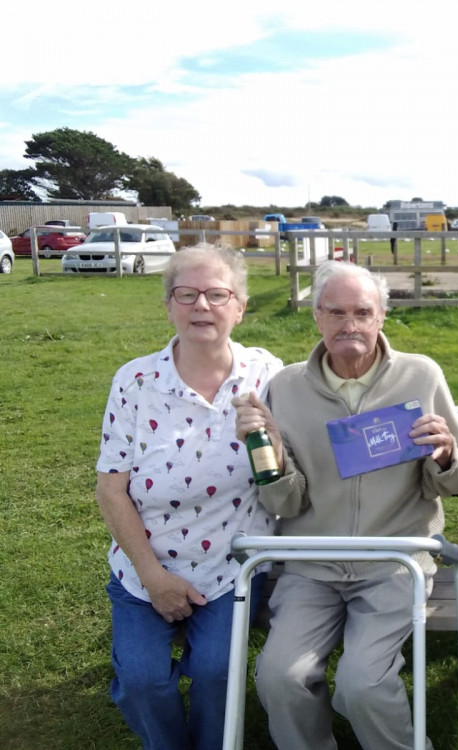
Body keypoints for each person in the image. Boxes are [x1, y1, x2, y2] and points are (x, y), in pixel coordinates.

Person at [234, 260, 458, 749]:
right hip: (311, 562)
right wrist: (276, 459)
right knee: (280, 676)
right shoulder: (286, 386)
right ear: (316, 318)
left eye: (362, 312)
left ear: (382, 316)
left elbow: (452, 481)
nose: (350, 325)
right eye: (336, 312)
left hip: (394, 561)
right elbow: (285, 501)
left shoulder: (420, 375)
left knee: (363, 684)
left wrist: (446, 453)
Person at [95, 245, 283, 749]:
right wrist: (154, 578)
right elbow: (111, 487)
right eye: (187, 293)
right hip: (146, 565)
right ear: (169, 305)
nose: (202, 305)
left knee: (217, 671)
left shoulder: (267, 373)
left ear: (239, 306)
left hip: (233, 565)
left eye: (217, 294)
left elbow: (288, 478)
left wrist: (272, 437)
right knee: (142, 680)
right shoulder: (135, 380)